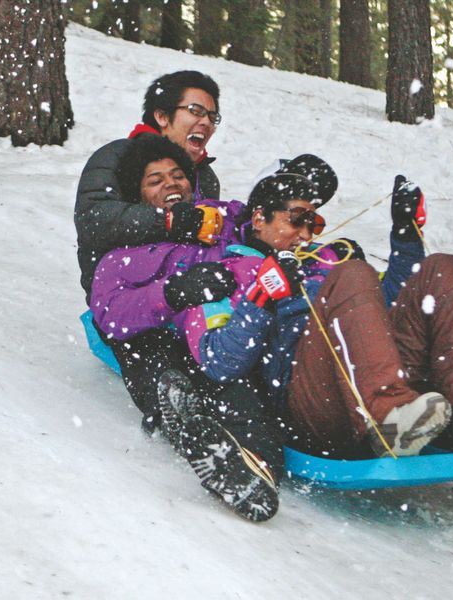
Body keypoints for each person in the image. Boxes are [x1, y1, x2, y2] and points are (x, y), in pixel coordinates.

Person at [180, 168, 453, 531]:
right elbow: (217, 363)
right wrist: (261, 296)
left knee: (442, 269)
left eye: (314, 220)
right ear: (259, 218)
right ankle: (389, 415)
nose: (307, 232)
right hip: (310, 401)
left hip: (377, 378)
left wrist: (406, 237)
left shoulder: (325, 263)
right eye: (297, 219)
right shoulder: (226, 270)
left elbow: (395, 302)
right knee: (353, 274)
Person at [89, 139, 341, 522]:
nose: (171, 185)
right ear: (139, 196)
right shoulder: (131, 251)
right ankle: (246, 462)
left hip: (242, 321)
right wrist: (173, 292)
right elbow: (109, 311)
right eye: (155, 180)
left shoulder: (224, 221)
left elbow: (269, 219)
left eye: (177, 176)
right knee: (213, 378)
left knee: (245, 365)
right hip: (186, 333)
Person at [75, 70, 224, 303]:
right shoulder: (115, 156)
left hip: (186, 292)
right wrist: (168, 221)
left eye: (212, 117)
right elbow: (94, 219)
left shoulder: (203, 175)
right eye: (195, 111)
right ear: (162, 116)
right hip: (121, 298)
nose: (206, 122)